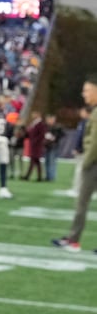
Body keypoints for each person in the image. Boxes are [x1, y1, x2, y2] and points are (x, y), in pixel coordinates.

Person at [52, 80, 97, 253]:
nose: (83, 94)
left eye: (86, 90)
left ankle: (73, 240)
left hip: (93, 163)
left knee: (81, 203)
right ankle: (72, 238)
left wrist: (86, 162)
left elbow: (94, 142)